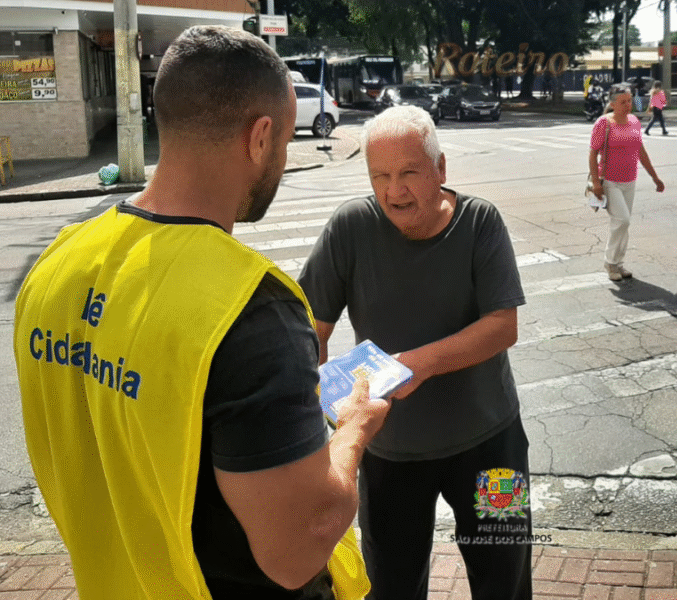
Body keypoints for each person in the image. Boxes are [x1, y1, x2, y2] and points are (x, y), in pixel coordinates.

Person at [13, 25, 389, 600]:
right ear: (260, 138)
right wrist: (355, 427)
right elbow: (298, 548)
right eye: (285, 143)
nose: (282, 162)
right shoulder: (252, 308)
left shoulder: (55, 264)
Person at [298, 105, 532, 600]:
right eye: (380, 175)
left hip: (493, 446)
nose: (393, 192)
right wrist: (321, 412)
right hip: (389, 455)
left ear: (440, 168)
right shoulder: (351, 227)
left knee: (505, 581)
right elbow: (309, 330)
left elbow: (502, 326)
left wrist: (415, 364)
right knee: (392, 587)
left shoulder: (479, 222)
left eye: (409, 173)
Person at [590, 83, 665, 281]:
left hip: (630, 180)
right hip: (610, 181)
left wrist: (655, 177)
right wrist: (596, 182)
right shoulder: (603, 123)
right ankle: (610, 263)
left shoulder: (633, 121)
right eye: (623, 102)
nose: (628, 105)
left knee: (623, 224)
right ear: (613, 104)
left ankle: (618, 263)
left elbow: (641, 152)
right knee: (622, 220)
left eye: (630, 101)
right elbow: (593, 153)